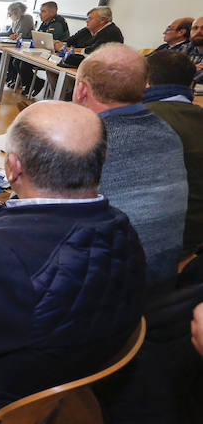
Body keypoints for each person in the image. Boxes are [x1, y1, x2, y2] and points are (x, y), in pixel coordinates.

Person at [0, 100, 146, 423]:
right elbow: (30, 243)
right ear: (99, 161)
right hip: (50, 377)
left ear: (13, 168)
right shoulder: (122, 231)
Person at [72, 44, 187, 293]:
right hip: (159, 285)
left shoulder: (86, 139)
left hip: (100, 294)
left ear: (81, 90)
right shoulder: (168, 134)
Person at [143, 50, 203, 255]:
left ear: (146, 80)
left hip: (152, 239)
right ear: (191, 84)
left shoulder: (138, 118)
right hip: (194, 236)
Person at [19, 1, 70, 94]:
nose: (40, 14)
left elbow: (50, 41)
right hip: (45, 51)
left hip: (56, 55)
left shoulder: (58, 23)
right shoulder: (45, 22)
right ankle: (32, 85)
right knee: (17, 61)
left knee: (24, 64)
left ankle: (36, 84)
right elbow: (37, 37)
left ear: (52, 13)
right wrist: (22, 37)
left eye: (43, 11)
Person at [53, 6, 123, 54]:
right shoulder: (88, 29)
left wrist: (66, 49)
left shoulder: (111, 32)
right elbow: (70, 40)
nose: (87, 21)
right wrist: (57, 43)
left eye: (90, 18)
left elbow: (93, 51)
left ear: (102, 20)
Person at [3, 1, 34, 87]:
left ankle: (19, 81)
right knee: (0, 55)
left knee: (14, 61)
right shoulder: (15, 20)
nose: (9, 15)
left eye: (10, 13)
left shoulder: (27, 18)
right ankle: (13, 77)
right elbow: (9, 32)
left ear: (16, 12)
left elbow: (21, 34)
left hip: (25, 46)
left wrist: (15, 36)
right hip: (17, 46)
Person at [179, 16, 203, 84]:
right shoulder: (185, 48)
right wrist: (192, 69)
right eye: (195, 28)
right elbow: (166, 71)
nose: (198, 31)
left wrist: (186, 70)